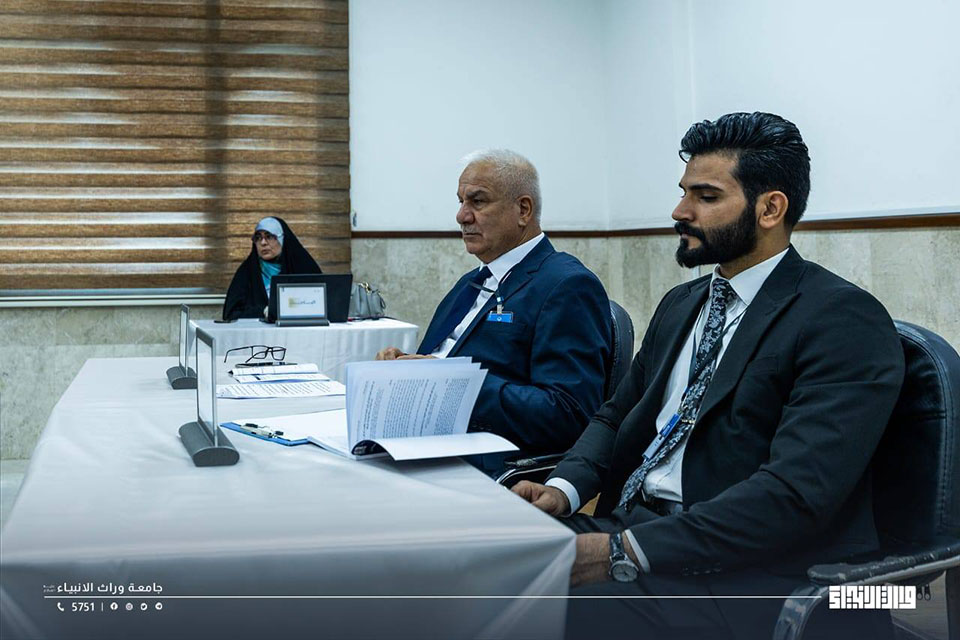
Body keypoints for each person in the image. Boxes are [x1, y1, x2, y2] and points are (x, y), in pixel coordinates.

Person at [512, 113, 905, 639]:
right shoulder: (682, 303)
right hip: (643, 530)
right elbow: (616, 416)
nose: (680, 211)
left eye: (706, 196)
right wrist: (562, 490)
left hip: (756, 573)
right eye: (684, 193)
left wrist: (622, 551)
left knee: (529, 609)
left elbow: (792, 496)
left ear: (770, 208)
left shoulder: (841, 318)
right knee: (477, 563)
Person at [375, 149, 613, 474]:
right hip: (424, 440)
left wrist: (453, 383)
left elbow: (568, 413)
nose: (462, 216)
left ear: (523, 210)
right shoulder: (470, 282)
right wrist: (405, 367)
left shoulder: (566, 285)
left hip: (484, 461)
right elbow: (444, 360)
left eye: (478, 202)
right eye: (461, 202)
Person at [222, 216, 322, 321]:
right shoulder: (247, 272)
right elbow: (230, 314)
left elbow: (320, 306)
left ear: (282, 239)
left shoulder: (304, 268)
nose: (263, 243)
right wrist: (263, 312)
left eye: (269, 236)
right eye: (258, 238)